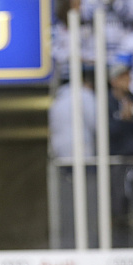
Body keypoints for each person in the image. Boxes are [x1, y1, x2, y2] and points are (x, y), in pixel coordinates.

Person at [48, 68, 99, 249]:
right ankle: (88, 245)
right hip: (84, 159)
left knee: (69, 210)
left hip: (62, 160)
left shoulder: (58, 100)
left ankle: (71, 244)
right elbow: (98, 124)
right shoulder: (85, 95)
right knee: (89, 209)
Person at [107, 63, 133, 247]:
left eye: (128, 76)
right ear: (113, 80)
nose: (127, 80)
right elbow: (106, 132)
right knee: (118, 205)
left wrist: (132, 119)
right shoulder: (107, 103)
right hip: (117, 161)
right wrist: (123, 119)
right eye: (122, 77)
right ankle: (119, 246)